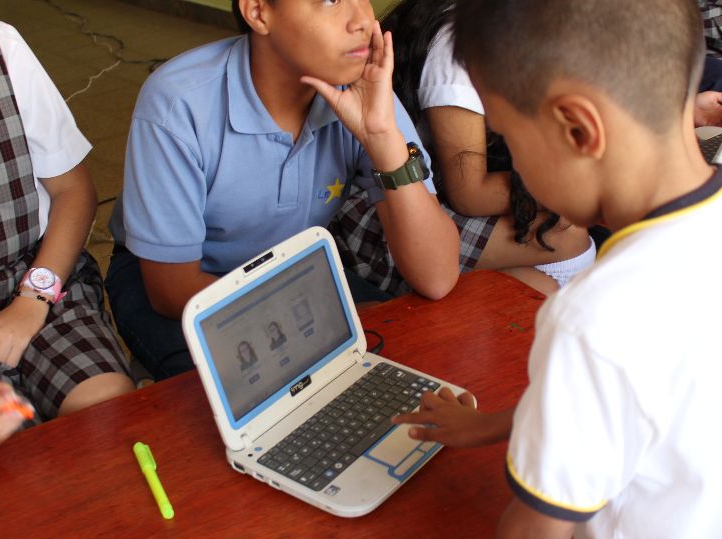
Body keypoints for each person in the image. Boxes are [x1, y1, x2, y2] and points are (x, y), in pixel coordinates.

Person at [396, 0, 722, 539]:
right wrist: (492, 426)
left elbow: (538, 529)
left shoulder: (593, 317)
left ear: (578, 131)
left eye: (510, 139)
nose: (514, 166)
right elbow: (642, 397)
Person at [105, 0, 460, 381]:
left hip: (288, 268)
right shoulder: (179, 103)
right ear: (258, 12)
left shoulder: (360, 87)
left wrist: (382, 137)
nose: (364, 19)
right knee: (266, 388)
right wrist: (321, 318)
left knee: (408, 355)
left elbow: (436, 277)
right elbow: (171, 289)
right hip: (182, 288)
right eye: (330, 1)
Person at [0, 12, 134, 455]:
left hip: (34, 277)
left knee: (110, 420)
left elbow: (72, 191)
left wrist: (34, 299)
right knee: (3, 457)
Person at [330, 0, 597, 297]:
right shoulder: (456, 44)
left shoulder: (533, 32)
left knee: (555, 262)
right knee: (566, 235)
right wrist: (578, 187)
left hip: (434, 192)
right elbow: (468, 194)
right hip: (382, 208)